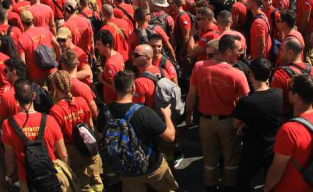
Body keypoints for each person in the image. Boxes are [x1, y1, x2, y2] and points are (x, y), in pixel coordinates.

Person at [186, 34, 250, 191]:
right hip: (228, 123)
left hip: (205, 122)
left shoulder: (199, 67)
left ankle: (210, 185)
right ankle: (228, 185)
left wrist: (188, 115)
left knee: (209, 157)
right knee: (231, 158)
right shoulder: (237, 74)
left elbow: (191, 95)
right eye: (238, 50)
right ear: (228, 51)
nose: (240, 53)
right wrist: (243, 122)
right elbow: (244, 104)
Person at [107, 70, 179, 191]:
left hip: (125, 170)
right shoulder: (144, 112)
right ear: (133, 88)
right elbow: (170, 137)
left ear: (115, 87)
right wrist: (167, 115)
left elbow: (102, 136)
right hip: (151, 167)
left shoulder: (105, 113)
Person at [264, 74, 313, 192]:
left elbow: (276, 171)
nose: (287, 92)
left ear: (297, 97)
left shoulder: (289, 130)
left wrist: (266, 189)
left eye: (290, 90)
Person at [0, 78, 68, 191]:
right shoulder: (50, 120)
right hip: (50, 175)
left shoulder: (8, 124)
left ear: (16, 98)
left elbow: (9, 157)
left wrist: (10, 174)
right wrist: (65, 172)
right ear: (33, 96)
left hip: (26, 178)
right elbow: (63, 154)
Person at [232, 57, 282, 191]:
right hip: (272, 146)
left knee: (242, 180)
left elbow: (235, 123)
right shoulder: (279, 94)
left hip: (252, 148)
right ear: (269, 74)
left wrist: (243, 123)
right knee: (270, 179)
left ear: (251, 75)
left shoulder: (247, 101)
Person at [49, 70, 102, 192]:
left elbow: (58, 138)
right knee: (97, 179)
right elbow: (90, 125)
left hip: (73, 151)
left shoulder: (55, 110)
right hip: (90, 147)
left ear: (55, 86)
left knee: (84, 185)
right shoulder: (81, 101)